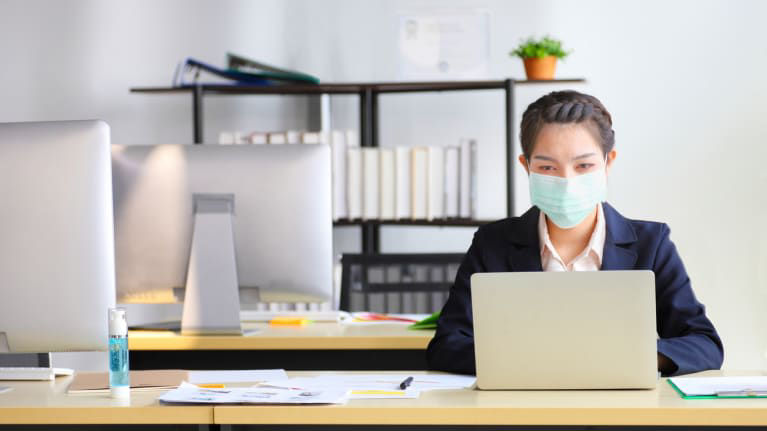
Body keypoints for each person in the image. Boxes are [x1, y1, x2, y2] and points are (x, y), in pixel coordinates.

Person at [426, 90, 723, 376]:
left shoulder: (651, 243)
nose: (567, 180)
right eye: (547, 167)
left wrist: (629, 358)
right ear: (526, 167)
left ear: (609, 163)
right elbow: (448, 345)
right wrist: (541, 359)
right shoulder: (493, 244)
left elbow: (704, 344)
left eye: (584, 165)